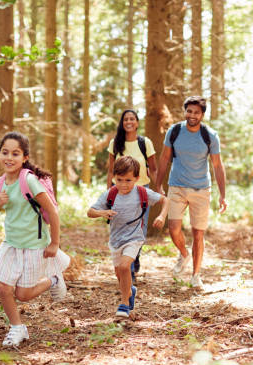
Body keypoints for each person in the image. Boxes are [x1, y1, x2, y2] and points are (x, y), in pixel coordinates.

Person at [0, 131, 70, 348]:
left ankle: (54, 278)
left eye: (15, 154)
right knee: (2, 287)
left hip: (34, 245)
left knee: (24, 294)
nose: (9, 158)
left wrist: (54, 244)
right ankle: (17, 328)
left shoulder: (28, 180)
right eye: (5, 152)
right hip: (11, 244)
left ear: (24, 158)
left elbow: (52, 212)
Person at [155, 96, 227, 290]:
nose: (192, 115)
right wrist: (158, 185)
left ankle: (196, 276)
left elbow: (218, 166)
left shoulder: (210, 136)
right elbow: (163, 159)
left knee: (198, 234)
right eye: (189, 111)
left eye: (196, 112)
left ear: (202, 114)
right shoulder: (175, 131)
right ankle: (183, 254)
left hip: (201, 190)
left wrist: (222, 195)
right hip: (176, 186)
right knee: (173, 228)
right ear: (185, 111)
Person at [88, 156, 168, 318]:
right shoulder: (110, 194)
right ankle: (129, 290)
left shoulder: (142, 192)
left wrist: (161, 216)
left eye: (128, 180)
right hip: (115, 241)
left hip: (134, 238)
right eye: (119, 180)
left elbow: (165, 200)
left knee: (125, 267)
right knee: (119, 274)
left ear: (137, 179)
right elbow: (90, 212)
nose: (123, 184)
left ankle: (124, 304)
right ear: (113, 178)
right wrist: (102, 212)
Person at [106, 109, 158, 281]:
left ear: (137, 122)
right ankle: (125, 265)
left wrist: (158, 190)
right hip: (119, 192)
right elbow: (110, 170)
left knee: (139, 230)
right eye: (126, 119)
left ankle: (132, 266)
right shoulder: (115, 143)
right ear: (122, 123)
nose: (129, 122)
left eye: (132, 119)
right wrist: (109, 194)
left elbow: (154, 168)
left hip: (141, 191)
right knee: (120, 228)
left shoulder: (145, 143)